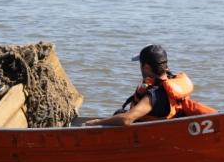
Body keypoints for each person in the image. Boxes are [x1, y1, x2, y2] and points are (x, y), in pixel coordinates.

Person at [84, 44, 216, 127]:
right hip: (166, 127)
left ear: (146, 67)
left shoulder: (154, 95)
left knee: (120, 116)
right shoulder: (173, 84)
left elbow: (127, 119)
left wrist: (97, 122)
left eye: (140, 64)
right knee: (118, 113)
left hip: (147, 137)